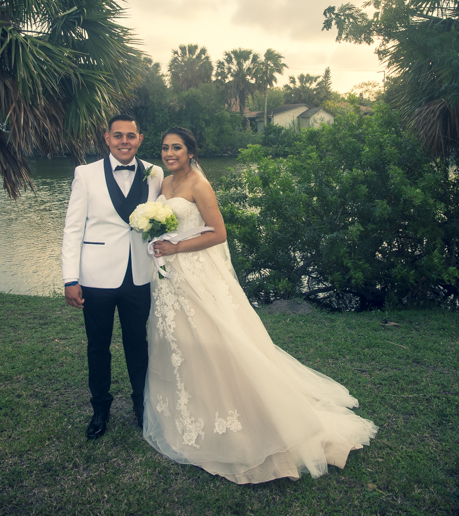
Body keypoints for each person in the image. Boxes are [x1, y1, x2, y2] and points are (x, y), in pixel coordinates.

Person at [143, 126, 378, 484]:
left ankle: (244, 414)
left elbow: (218, 233)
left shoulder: (199, 185)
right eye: (164, 148)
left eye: (177, 147)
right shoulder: (164, 183)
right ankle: (191, 408)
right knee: (181, 342)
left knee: (215, 339)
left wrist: (176, 247)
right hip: (169, 278)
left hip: (196, 273)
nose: (169, 153)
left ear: (191, 152)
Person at [62, 115, 163, 440]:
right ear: (107, 138)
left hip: (139, 275)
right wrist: (70, 278)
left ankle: (141, 405)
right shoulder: (85, 173)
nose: (124, 141)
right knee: (98, 346)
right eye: (117, 135)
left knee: (138, 343)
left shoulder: (155, 173)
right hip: (95, 276)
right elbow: (73, 229)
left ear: (140, 138)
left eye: (130, 136)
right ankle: (100, 409)